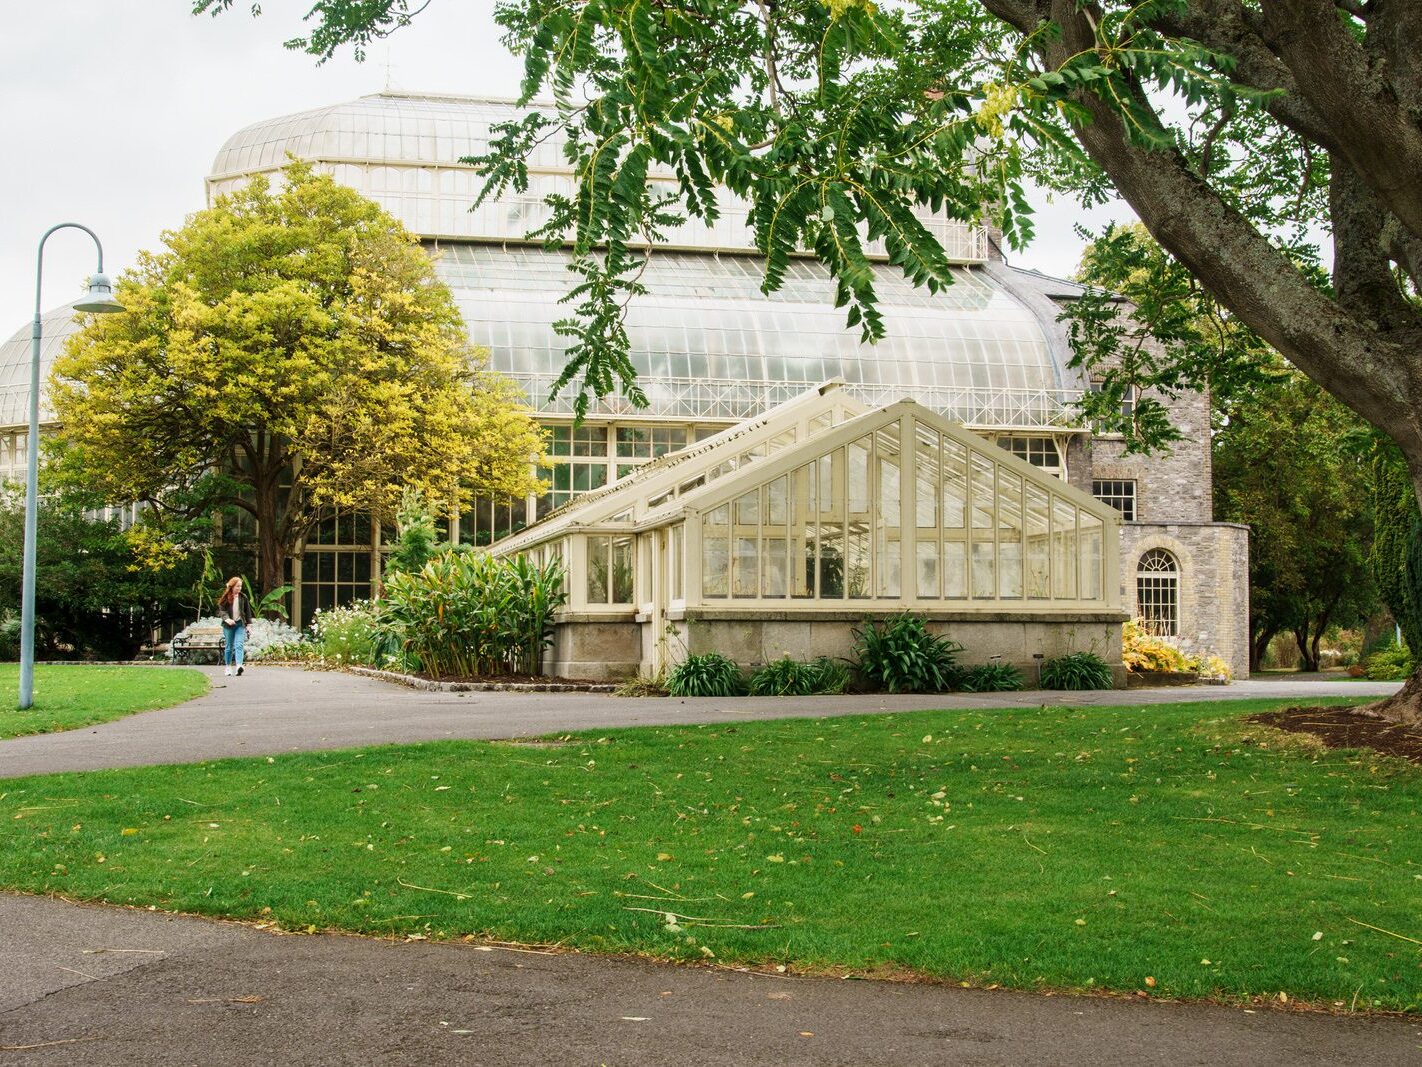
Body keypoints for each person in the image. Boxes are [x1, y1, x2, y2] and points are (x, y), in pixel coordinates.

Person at [216, 576, 253, 677]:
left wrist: (249, 625)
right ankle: (228, 667)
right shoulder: (226, 597)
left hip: (240, 624)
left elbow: (247, 612)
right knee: (229, 647)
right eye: (237, 586)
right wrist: (227, 619)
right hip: (228, 626)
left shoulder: (243, 597)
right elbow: (221, 610)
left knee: (239, 644)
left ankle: (239, 666)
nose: (239, 588)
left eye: (240, 586)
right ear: (232, 586)